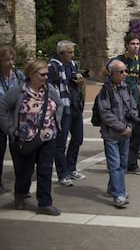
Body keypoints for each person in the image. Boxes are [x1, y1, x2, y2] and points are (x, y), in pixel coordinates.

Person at [0, 59, 63, 215]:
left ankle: (45, 203)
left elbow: (60, 104)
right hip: (24, 139)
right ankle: (20, 195)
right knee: (24, 171)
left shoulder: (49, 89)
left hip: (47, 138)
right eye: (42, 74)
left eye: (47, 74)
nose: (45, 77)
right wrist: (9, 128)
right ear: (32, 74)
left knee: (45, 170)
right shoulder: (19, 90)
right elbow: (3, 107)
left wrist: (57, 122)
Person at [98, 59, 137, 208]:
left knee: (122, 164)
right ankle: (119, 194)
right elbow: (105, 113)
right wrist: (121, 127)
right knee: (114, 165)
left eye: (125, 71)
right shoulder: (106, 91)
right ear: (112, 73)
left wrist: (129, 126)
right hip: (111, 135)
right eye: (121, 72)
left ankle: (112, 187)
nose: (124, 74)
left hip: (125, 133)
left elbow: (133, 107)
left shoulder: (126, 88)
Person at [48, 40, 85, 187]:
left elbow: (77, 85)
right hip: (63, 108)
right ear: (61, 53)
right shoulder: (53, 67)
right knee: (61, 143)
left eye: (72, 52)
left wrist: (80, 82)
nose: (72, 55)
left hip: (75, 106)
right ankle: (62, 174)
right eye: (69, 53)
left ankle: (71, 168)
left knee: (78, 138)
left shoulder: (73, 65)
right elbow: (49, 88)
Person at [113, 33, 140, 176]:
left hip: (135, 101)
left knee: (136, 131)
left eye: (138, 44)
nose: (135, 47)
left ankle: (132, 164)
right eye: (133, 44)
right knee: (121, 132)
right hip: (121, 103)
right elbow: (106, 74)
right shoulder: (119, 61)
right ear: (127, 45)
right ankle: (120, 162)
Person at [0, 46, 25, 195]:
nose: (10, 63)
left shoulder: (18, 75)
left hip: (16, 118)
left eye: (11, 59)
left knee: (18, 154)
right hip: (0, 119)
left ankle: (21, 185)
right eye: (6, 60)